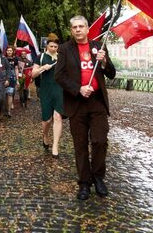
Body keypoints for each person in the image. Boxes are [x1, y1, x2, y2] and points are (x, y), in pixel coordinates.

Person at [54, 15, 116, 200]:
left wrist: (104, 62)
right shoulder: (65, 49)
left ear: (88, 29)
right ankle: (84, 183)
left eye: (81, 26)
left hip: (97, 103)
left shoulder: (99, 46)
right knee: (80, 145)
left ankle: (98, 177)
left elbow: (111, 73)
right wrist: (78, 88)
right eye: (75, 27)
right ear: (71, 30)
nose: (78, 30)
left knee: (99, 141)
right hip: (77, 103)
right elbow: (59, 76)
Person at [32, 34, 64, 159]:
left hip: (59, 90)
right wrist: (41, 68)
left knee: (57, 116)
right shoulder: (40, 57)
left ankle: (55, 145)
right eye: (51, 46)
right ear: (47, 45)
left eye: (55, 46)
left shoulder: (61, 57)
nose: (53, 48)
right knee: (47, 120)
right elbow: (33, 74)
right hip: (45, 90)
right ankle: (45, 134)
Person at [4, 46, 19, 117]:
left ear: (13, 51)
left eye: (10, 50)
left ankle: (8, 111)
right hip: (4, 78)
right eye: (8, 50)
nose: (9, 52)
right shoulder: (3, 58)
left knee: (10, 94)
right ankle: (4, 109)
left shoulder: (15, 58)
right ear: (6, 51)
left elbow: (16, 69)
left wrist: (17, 79)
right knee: (4, 95)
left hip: (12, 78)